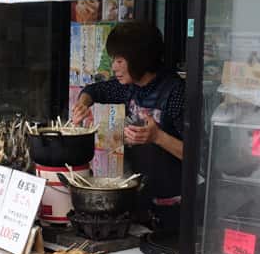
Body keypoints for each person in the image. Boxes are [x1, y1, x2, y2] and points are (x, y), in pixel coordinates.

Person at [70, 20, 185, 232]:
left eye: (120, 61)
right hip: (140, 202)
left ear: (139, 59)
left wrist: (158, 137)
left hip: (175, 208)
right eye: (114, 60)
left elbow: (199, 156)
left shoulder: (176, 92)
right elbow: (93, 90)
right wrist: (83, 105)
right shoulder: (128, 87)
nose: (114, 67)